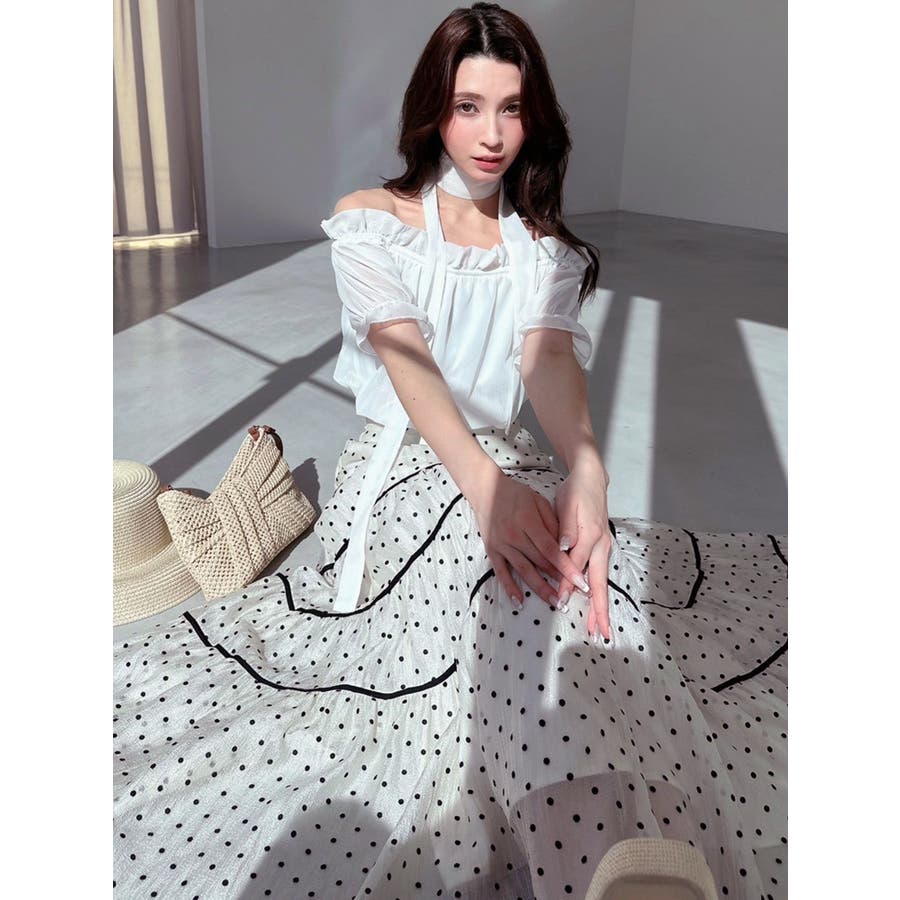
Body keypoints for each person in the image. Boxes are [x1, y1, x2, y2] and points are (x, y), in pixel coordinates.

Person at [112, 4, 787, 899]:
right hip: (403, 470)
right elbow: (408, 362)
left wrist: (587, 469)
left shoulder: (541, 250)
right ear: (434, 108)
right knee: (498, 591)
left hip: (512, 460)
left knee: (595, 598)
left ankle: (642, 857)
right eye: (469, 106)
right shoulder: (371, 223)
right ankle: (598, 852)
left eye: (512, 109)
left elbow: (546, 360)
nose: (492, 134)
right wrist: (484, 489)